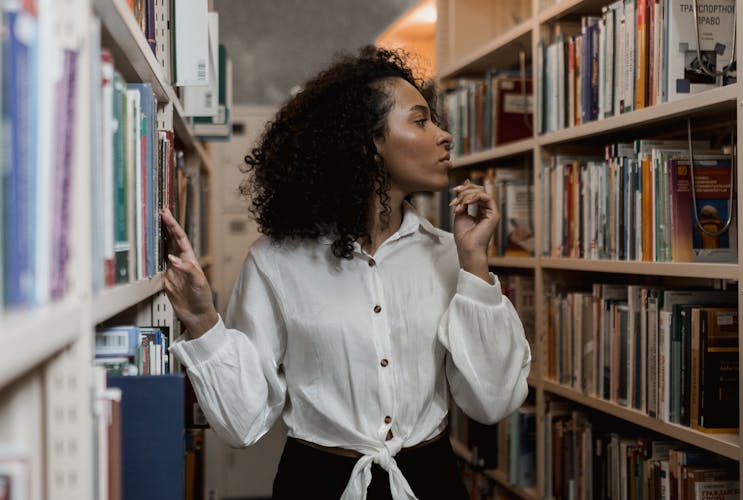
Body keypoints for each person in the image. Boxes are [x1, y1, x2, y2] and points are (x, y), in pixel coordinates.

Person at [160, 46, 531, 500]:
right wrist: (203, 322)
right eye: (420, 121)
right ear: (368, 143)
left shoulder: (447, 254)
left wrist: (474, 262)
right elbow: (243, 423)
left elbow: (492, 401)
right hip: (316, 486)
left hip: (430, 481)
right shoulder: (276, 260)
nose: (445, 135)